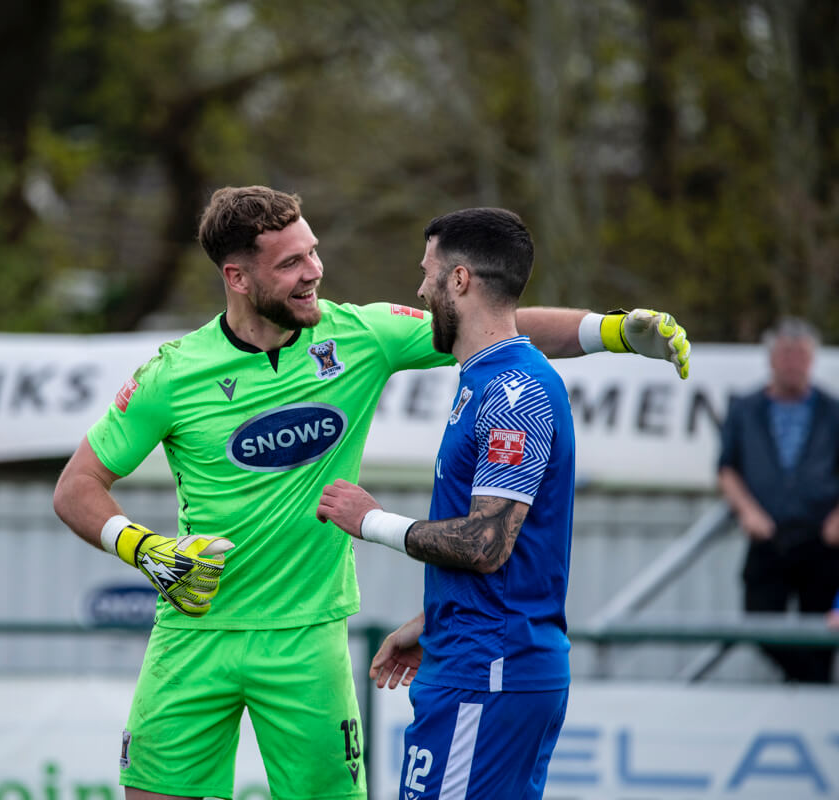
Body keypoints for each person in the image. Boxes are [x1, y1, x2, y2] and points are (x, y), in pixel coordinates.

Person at [51, 185, 690, 800]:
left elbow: (498, 322)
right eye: (291, 262)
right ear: (237, 277)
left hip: (307, 636)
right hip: (192, 632)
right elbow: (77, 487)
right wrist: (139, 546)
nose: (314, 271)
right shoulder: (172, 373)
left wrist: (610, 333)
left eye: (314, 251)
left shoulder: (361, 336)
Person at [317, 207, 576, 799]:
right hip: (475, 658)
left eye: (427, 272)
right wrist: (438, 619)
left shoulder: (516, 391)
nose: (419, 288)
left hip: (491, 672)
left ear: (459, 281)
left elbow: (488, 543)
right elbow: (515, 553)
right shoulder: (484, 378)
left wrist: (371, 521)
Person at [717, 317, 839, 683]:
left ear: (812, 360)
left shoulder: (832, 411)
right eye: (786, 354)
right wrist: (747, 511)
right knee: (759, 621)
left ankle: (809, 695)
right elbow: (727, 469)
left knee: (823, 635)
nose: (793, 362)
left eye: (800, 355)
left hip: (822, 541)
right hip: (768, 538)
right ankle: (807, 685)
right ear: (771, 359)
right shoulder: (745, 410)